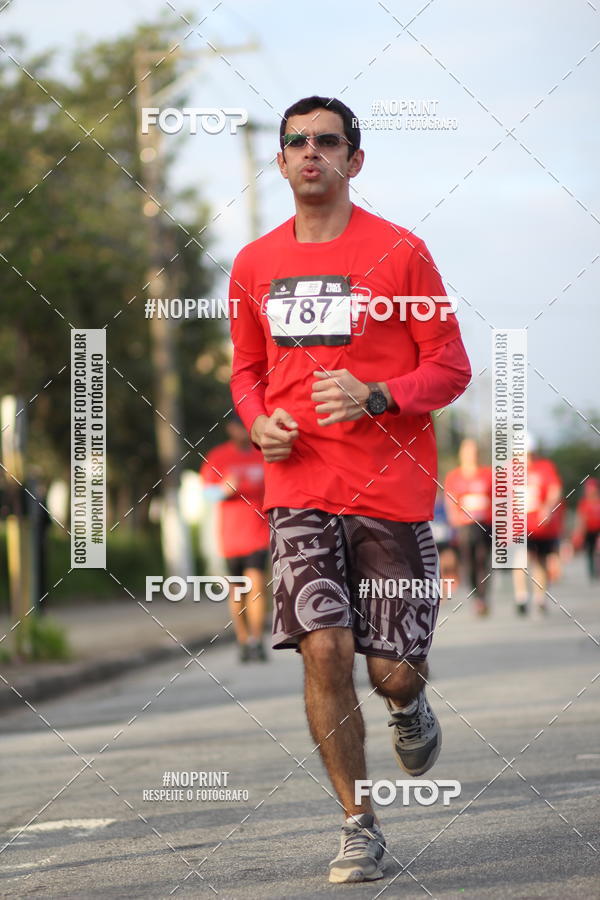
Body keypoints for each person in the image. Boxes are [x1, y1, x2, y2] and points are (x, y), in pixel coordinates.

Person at [228, 95, 471, 883]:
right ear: (280, 160)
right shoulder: (253, 263)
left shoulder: (402, 253)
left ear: (353, 161)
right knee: (323, 649)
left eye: (326, 142)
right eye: (295, 142)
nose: (310, 153)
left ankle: (409, 702)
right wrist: (259, 421)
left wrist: (377, 394)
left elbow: (451, 366)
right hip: (299, 487)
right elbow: (246, 371)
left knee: (389, 670)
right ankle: (357, 822)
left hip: (390, 490)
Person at [200, 414, 270, 662]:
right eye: (239, 426)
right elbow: (206, 494)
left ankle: (258, 640)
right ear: (230, 428)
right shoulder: (218, 457)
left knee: (257, 586)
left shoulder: (263, 453)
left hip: (259, 535)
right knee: (238, 591)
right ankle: (243, 640)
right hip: (230, 538)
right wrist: (223, 490)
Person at [513, 438, 563, 615]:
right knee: (521, 558)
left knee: (540, 561)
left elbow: (554, 489)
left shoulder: (544, 468)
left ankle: (539, 597)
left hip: (540, 525)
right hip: (520, 525)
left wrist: (548, 507)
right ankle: (521, 597)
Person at [444, 439, 493, 616]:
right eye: (467, 451)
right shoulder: (454, 476)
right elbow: (450, 500)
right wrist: (453, 518)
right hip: (464, 525)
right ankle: (476, 594)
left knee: (482, 559)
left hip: (485, 525)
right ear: (462, 454)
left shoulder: (487, 474)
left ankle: (483, 597)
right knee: (469, 563)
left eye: (473, 451)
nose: (470, 455)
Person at [574, 477, 600, 580]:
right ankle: (592, 572)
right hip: (589, 531)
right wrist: (578, 533)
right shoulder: (584, 503)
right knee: (590, 551)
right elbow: (581, 518)